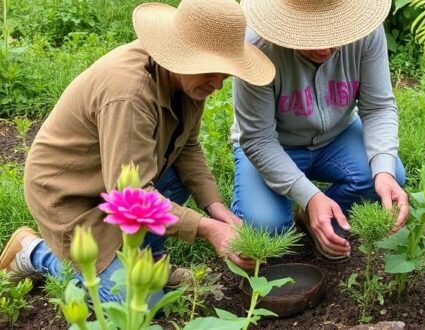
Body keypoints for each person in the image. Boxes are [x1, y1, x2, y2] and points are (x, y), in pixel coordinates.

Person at [0, 0, 275, 304]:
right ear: (182, 55)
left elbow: (187, 148)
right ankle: (33, 251)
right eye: (213, 71)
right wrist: (208, 229)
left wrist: (216, 208)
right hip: (70, 197)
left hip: (117, 182)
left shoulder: (190, 79)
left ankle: (149, 258)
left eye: (226, 74)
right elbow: (131, 197)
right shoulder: (129, 94)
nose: (218, 85)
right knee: (138, 303)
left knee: (180, 181)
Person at [231, 0, 408, 262]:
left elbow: (378, 107)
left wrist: (383, 169)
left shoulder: (366, 32)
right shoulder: (256, 46)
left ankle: (312, 214)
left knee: (390, 176)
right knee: (266, 228)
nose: (325, 48)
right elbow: (258, 139)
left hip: (338, 136)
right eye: (311, 37)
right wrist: (310, 196)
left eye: (334, 33)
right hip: (274, 144)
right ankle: (311, 206)